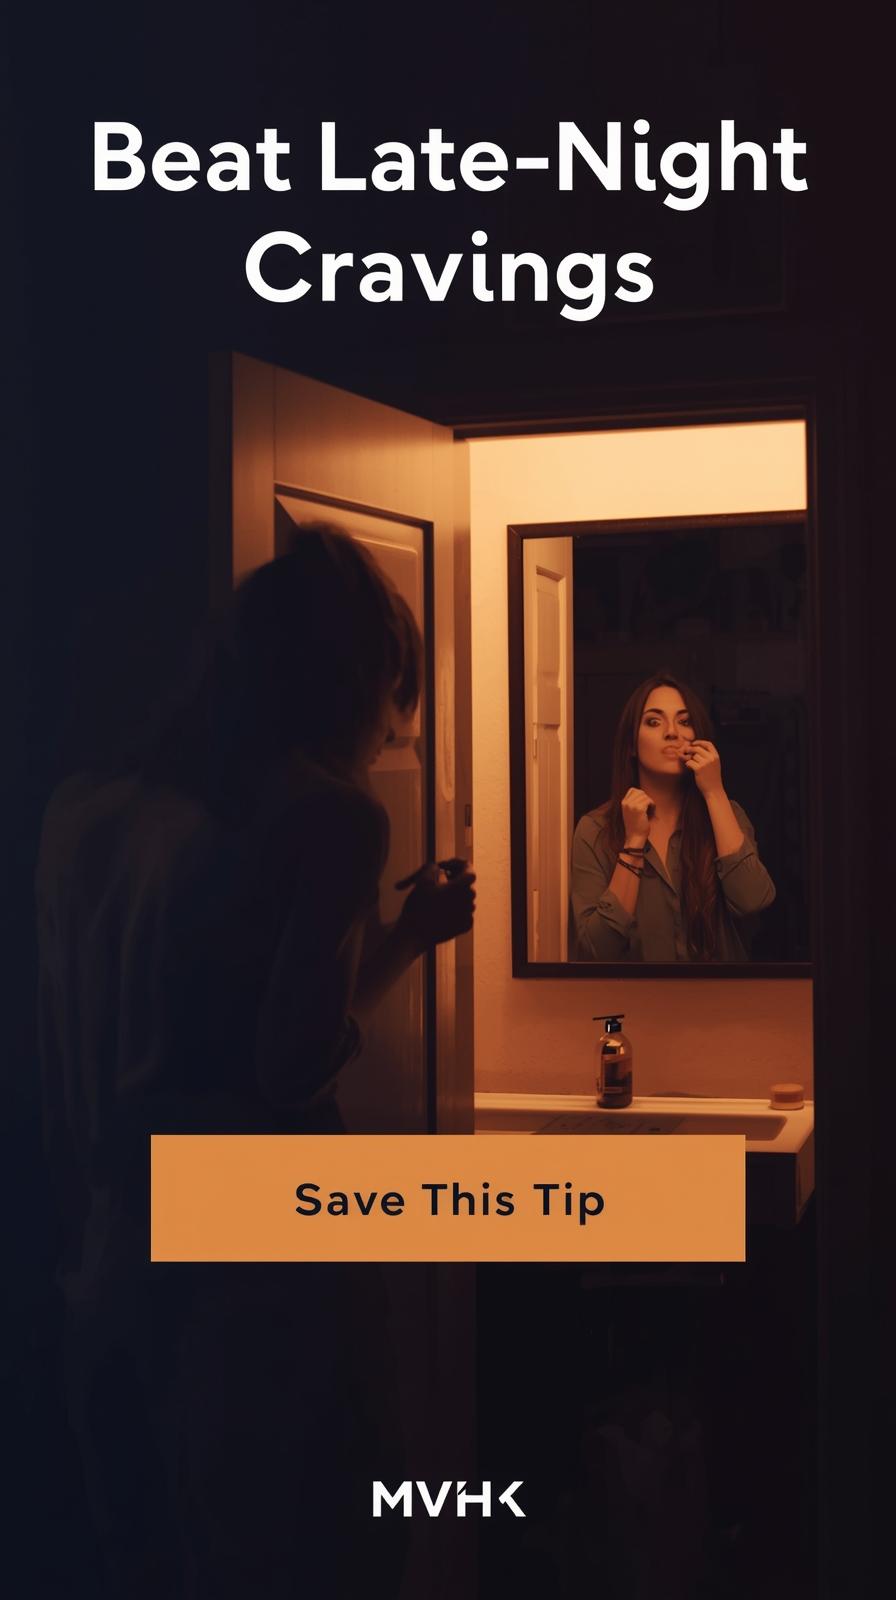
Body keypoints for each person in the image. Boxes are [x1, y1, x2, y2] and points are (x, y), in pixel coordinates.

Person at [36, 524, 475, 1597]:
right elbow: (285, 1066)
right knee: (337, 1531)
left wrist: (402, 936)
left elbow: (217, 1025)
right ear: (355, 675)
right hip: (252, 1250)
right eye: (390, 685)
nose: (391, 722)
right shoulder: (329, 816)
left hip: (103, 1241)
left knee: (146, 1550)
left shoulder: (88, 806)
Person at [570, 673, 774, 962]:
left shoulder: (726, 814)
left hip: (724, 1004)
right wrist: (633, 843)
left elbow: (753, 900)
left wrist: (714, 791)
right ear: (631, 745)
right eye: (654, 721)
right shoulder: (595, 830)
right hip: (637, 1005)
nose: (672, 732)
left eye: (684, 721)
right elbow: (596, 949)